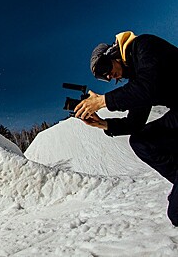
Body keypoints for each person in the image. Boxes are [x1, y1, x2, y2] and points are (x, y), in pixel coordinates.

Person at [74, 31, 178, 226]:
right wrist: (103, 124)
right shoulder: (137, 79)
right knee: (141, 141)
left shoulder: (144, 45)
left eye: (104, 67)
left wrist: (103, 101)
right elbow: (135, 123)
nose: (108, 75)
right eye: (102, 77)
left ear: (114, 53)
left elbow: (149, 87)